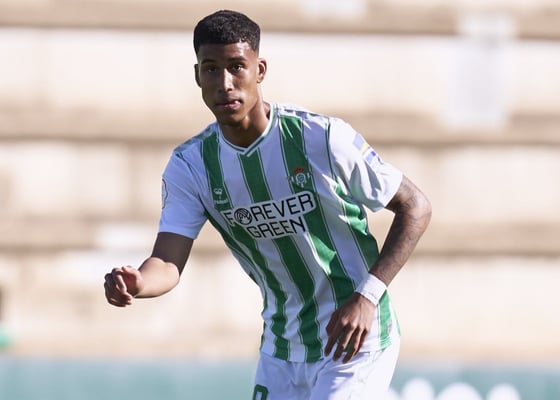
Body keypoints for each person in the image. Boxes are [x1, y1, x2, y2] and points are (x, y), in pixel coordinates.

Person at [104, 9, 432, 400]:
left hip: (355, 339)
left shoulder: (320, 138)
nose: (225, 83)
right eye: (211, 69)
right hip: (282, 347)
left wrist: (367, 297)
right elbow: (167, 262)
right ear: (197, 76)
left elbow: (416, 206)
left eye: (236, 67)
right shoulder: (191, 166)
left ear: (259, 70)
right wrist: (139, 282)